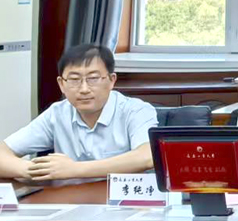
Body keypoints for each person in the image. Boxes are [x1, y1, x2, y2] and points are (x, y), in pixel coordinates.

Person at [0, 44, 157, 182]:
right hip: (68, 199)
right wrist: (35, 170)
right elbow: (3, 151)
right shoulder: (57, 113)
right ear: (61, 84)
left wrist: (74, 169)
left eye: (93, 78)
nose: (84, 89)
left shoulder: (136, 110)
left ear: (111, 80)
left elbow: (147, 156)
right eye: (74, 80)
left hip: (124, 200)